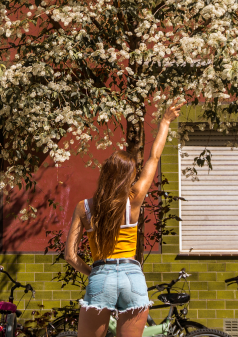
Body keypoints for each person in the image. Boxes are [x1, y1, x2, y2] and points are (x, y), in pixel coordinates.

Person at [65, 100, 186, 337]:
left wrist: (96, 273)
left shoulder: (85, 208)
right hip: (133, 277)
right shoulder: (135, 199)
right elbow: (154, 157)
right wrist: (164, 121)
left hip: (101, 275)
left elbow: (70, 256)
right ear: (127, 177)